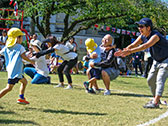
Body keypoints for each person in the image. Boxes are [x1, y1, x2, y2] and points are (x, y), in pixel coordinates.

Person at [114, 18, 168, 108]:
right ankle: (156, 100)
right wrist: (124, 51)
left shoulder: (156, 36)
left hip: (166, 60)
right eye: (138, 26)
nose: (139, 28)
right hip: (157, 60)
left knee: (160, 79)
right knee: (150, 79)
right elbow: (133, 45)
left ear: (148, 28)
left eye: (141, 26)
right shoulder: (142, 36)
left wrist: (130, 51)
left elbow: (145, 46)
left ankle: (155, 102)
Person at [0, 27, 34, 105]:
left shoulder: (7, 48)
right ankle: (21, 98)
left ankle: (21, 98)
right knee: (9, 88)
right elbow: (23, 57)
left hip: (14, 70)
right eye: (21, 37)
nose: (22, 39)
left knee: (24, 82)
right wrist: (31, 61)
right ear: (17, 38)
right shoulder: (20, 47)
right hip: (15, 71)